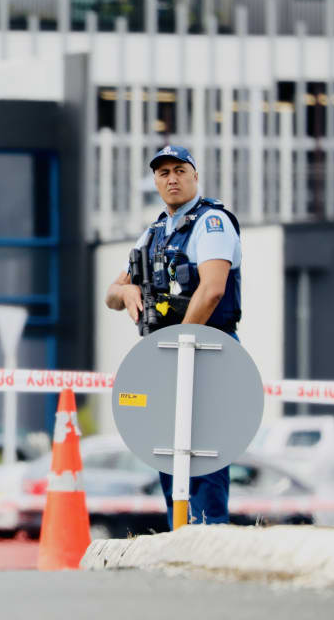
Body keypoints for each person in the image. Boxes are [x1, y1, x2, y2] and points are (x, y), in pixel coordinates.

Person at [104, 145, 242, 528]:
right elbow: (111, 295)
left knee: (205, 456)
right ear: (155, 181)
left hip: (207, 351)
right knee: (167, 454)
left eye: (180, 170)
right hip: (165, 357)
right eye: (163, 172)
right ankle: (179, 539)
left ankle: (207, 540)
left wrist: (183, 343)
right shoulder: (154, 233)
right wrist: (127, 291)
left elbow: (213, 290)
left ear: (195, 176)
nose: (172, 178)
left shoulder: (211, 222)